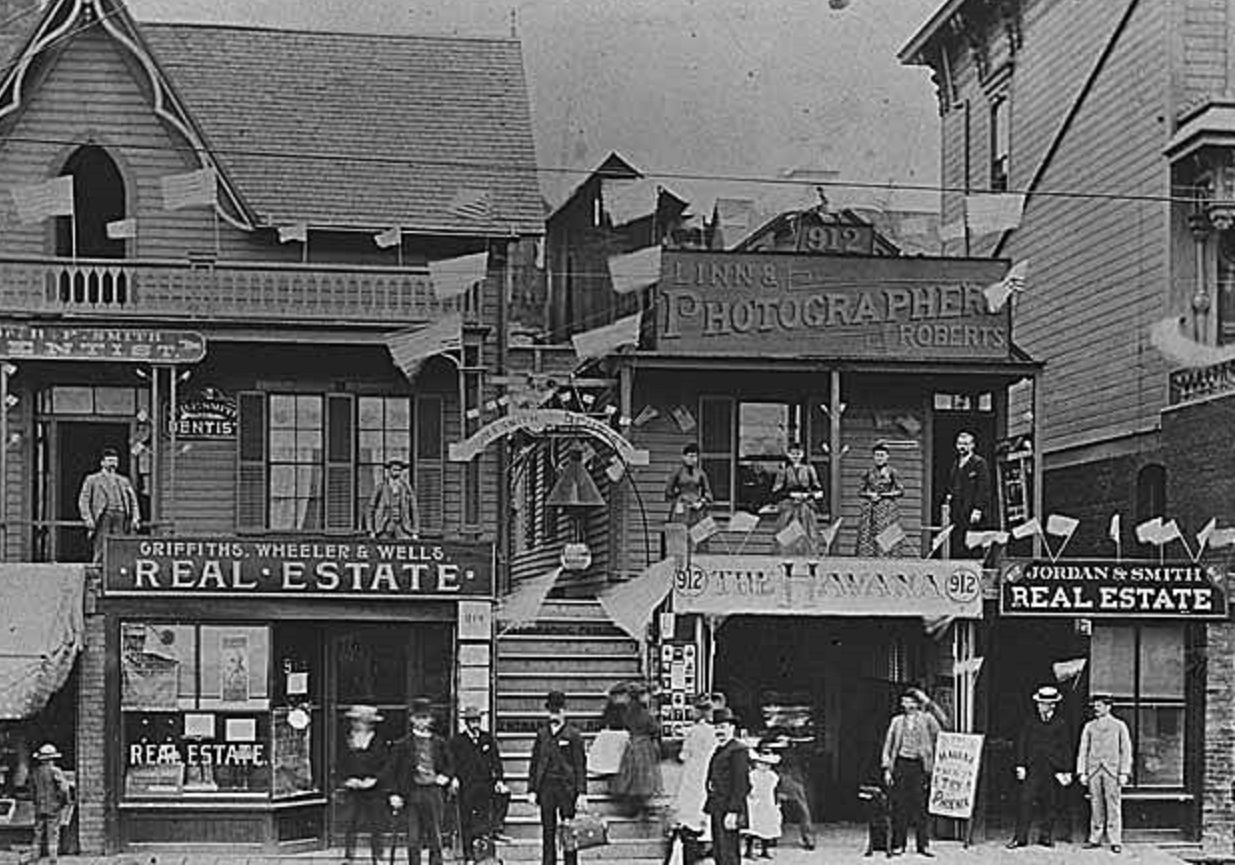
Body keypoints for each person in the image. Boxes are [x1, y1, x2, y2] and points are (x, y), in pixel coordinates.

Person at [388, 698, 455, 865]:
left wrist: (446, 777)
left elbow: (450, 765)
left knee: (435, 838)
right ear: (412, 719)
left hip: (433, 793)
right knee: (413, 839)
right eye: (418, 717)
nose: (422, 721)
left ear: (430, 719)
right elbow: (393, 771)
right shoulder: (402, 745)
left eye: (425, 717)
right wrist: (394, 794)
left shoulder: (439, 743)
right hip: (412, 793)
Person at [1007, 685, 1073, 849]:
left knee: (1050, 803)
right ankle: (1020, 838)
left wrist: (1066, 770)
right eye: (1039, 703)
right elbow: (1022, 743)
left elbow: (1066, 748)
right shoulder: (1030, 721)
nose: (1039, 706)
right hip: (1033, 768)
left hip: (1052, 769)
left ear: (1052, 705)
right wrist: (1020, 765)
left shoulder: (1061, 723)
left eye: (1043, 703)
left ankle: (1046, 837)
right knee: (1025, 801)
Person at [881, 688, 942, 858]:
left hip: (919, 765)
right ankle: (898, 843)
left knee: (920, 805)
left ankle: (923, 845)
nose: (904, 703)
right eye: (903, 700)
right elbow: (888, 745)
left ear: (916, 703)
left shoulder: (927, 719)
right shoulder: (897, 721)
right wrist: (887, 769)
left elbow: (943, 727)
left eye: (908, 700)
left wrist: (928, 703)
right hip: (901, 763)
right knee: (900, 805)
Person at [528, 690, 587, 865]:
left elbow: (579, 765)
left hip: (566, 789)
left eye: (558, 710)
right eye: (551, 711)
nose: (554, 714)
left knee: (569, 830)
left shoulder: (573, 735)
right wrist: (532, 789)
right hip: (546, 788)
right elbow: (535, 762)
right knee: (548, 830)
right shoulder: (542, 734)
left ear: (564, 711)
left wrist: (581, 792)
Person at [449, 706, 509, 863]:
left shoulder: (487, 739)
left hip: (485, 785)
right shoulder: (457, 741)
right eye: (472, 721)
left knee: (485, 819)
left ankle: (486, 851)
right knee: (466, 822)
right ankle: (468, 856)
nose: (475, 724)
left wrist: (499, 780)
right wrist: (454, 778)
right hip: (466, 786)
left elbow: (496, 762)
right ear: (466, 723)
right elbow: (452, 763)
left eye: (477, 721)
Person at [1076, 695, 1132, 854]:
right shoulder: (1089, 726)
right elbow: (1083, 750)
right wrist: (1082, 772)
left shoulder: (1119, 726)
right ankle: (1095, 838)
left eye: (1099, 706)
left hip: (1112, 771)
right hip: (1094, 770)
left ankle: (1115, 839)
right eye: (1095, 706)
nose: (1096, 709)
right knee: (1095, 805)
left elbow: (1126, 750)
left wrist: (1124, 772)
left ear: (1108, 707)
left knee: (1113, 805)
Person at [339, 705, 388, 865]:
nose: (358, 724)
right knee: (350, 822)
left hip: (374, 788)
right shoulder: (346, 739)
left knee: (376, 824)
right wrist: (346, 779)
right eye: (355, 721)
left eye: (361, 721)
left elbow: (386, 765)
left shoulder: (378, 741)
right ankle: (348, 856)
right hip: (352, 787)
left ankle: (378, 856)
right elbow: (340, 761)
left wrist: (375, 780)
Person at [673, 695, 718, 865]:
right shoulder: (714, 732)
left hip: (694, 770)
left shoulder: (693, 732)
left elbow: (684, 755)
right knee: (705, 801)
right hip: (709, 769)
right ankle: (706, 840)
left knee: (691, 802)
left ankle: (691, 839)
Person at [78, 446, 141, 562]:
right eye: (110, 460)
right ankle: (97, 575)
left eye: (115, 461)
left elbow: (133, 501)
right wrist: (88, 518)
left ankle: (118, 571)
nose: (113, 464)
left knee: (120, 545)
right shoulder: (93, 479)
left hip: (121, 516)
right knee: (101, 546)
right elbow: (84, 500)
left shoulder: (123, 481)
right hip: (104, 515)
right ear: (102, 462)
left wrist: (135, 517)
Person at [705, 707, 751, 865]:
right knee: (720, 850)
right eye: (716, 727)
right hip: (718, 805)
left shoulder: (738, 750)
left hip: (728, 806)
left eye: (723, 727)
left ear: (732, 728)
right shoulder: (721, 749)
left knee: (728, 851)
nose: (719, 731)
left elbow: (741, 784)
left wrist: (733, 811)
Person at [612, 683, 662, 820]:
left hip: (633, 744)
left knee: (634, 777)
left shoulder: (628, 712)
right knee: (643, 778)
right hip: (644, 745)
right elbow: (655, 729)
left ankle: (635, 807)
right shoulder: (644, 713)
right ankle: (641, 807)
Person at [770, 442, 823, 555]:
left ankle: (808, 557)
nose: (795, 456)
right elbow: (776, 491)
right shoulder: (784, 471)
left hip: (805, 506)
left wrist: (808, 496)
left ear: (802, 454)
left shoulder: (809, 469)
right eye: (792, 454)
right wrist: (791, 495)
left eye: (798, 454)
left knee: (808, 532)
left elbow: (818, 489)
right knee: (786, 532)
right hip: (789, 506)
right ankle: (786, 557)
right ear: (788, 455)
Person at [855, 442, 905, 557]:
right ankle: (868, 558)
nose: (879, 458)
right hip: (871, 509)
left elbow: (900, 491)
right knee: (868, 534)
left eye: (882, 455)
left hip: (887, 509)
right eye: (877, 455)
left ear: (887, 456)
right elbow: (860, 491)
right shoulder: (868, 472)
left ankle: (889, 558)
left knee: (887, 534)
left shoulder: (892, 472)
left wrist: (884, 495)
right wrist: (870, 494)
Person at [944, 432, 991, 553]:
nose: (962, 447)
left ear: (972, 445)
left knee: (972, 542)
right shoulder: (955, 464)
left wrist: (978, 509)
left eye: (965, 444)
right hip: (957, 510)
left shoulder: (979, 463)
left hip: (971, 510)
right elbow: (951, 486)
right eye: (959, 444)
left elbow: (983, 488)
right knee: (957, 539)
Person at [30, 743, 71, 865]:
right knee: (53, 833)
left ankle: (35, 857)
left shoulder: (35, 772)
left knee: (38, 833)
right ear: (52, 759)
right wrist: (64, 801)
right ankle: (53, 859)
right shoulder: (55, 771)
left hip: (39, 807)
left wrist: (36, 802)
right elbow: (64, 788)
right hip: (53, 807)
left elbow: (32, 790)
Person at [367, 457, 420, 539]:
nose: (397, 472)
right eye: (394, 470)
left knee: (405, 547)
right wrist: (371, 530)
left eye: (399, 470)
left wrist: (415, 531)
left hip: (403, 527)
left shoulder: (407, 488)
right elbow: (371, 508)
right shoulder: (380, 488)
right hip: (383, 527)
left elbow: (414, 510)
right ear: (389, 471)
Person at [743, 750, 781, 859]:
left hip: (768, 803)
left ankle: (765, 849)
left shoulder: (772, 776)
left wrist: (776, 803)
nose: (764, 766)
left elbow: (775, 790)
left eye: (767, 764)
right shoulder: (752, 775)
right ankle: (749, 851)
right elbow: (747, 788)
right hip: (754, 804)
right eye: (761, 763)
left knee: (767, 827)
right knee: (753, 828)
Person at [665, 444, 713, 527]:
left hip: (696, 508)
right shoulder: (677, 472)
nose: (693, 459)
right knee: (679, 532)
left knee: (697, 533)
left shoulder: (700, 473)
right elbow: (668, 491)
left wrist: (701, 502)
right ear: (684, 457)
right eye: (690, 456)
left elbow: (708, 493)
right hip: (681, 507)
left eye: (695, 457)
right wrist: (678, 497)